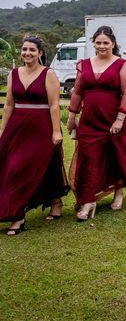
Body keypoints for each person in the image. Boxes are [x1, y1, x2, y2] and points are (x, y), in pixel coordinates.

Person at [67, 26, 126, 220]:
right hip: (89, 119)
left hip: (114, 119)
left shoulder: (122, 64)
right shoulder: (84, 64)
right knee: (88, 158)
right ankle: (88, 201)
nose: (101, 46)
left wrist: (120, 119)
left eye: (105, 43)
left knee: (116, 155)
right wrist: (72, 116)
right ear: (93, 44)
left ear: (113, 44)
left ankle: (118, 191)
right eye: (98, 43)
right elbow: (77, 92)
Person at [0, 37, 68, 235]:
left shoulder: (48, 74)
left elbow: (54, 105)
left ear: (40, 53)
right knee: (15, 166)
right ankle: (55, 202)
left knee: (26, 167)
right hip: (17, 126)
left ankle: (18, 216)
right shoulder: (14, 74)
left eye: (31, 50)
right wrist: (3, 130)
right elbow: (9, 104)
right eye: (24, 49)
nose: (27, 53)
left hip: (42, 127)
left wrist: (56, 130)